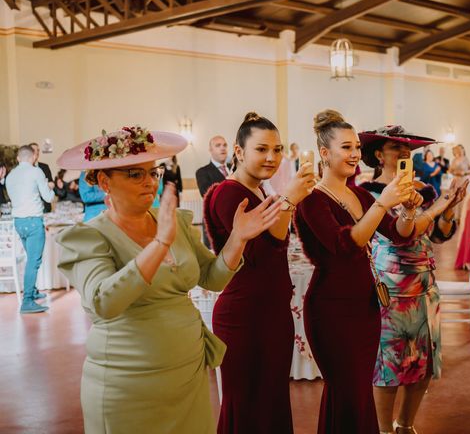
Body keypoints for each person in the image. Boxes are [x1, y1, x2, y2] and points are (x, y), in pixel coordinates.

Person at [55, 125, 281, 433]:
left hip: (187, 374)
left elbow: (212, 279)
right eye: (136, 174)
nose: (150, 182)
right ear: (105, 182)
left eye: (154, 172)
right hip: (129, 383)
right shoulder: (91, 236)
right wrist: (159, 244)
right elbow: (102, 302)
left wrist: (238, 238)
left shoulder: (175, 222)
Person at [294, 110, 417, 433]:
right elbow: (346, 244)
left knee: (359, 392)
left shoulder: (359, 193)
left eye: (356, 148)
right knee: (346, 391)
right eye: (346, 147)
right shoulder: (312, 201)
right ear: (325, 153)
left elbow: (399, 234)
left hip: (364, 306)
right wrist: (382, 204)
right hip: (331, 309)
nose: (355, 154)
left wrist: (407, 210)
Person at [204, 113, 315, 433]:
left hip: (271, 312)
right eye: (262, 149)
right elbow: (259, 250)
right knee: (248, 406)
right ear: (239, 152)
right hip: (244, 315)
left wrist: (287, 200)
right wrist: (290, 198)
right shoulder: (228, 194)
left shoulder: (261, 193)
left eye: (278, 149)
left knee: (272, 401)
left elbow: (275, 242)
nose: (272, 157)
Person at [358, 125, 464, 434]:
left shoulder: (424, 190)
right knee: (389, 366)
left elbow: (439, 234)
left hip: (424, 286)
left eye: (409, 150)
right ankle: (383, 430)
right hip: (389, 289)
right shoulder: (367, 194)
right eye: (396, 149)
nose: (406, 153)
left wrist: (448, 210)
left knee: (424, 365)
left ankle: (406, 425)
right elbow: (402, 235)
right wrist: (438, 207)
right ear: (378, 154)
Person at [5, 145, 55, 313]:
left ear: (18, 158)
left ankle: (32, 292)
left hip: (18, 222)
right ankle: (27, 301)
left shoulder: (10, 176)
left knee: (30, 258)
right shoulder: (36, 172)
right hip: (33, 221)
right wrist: (51, 188)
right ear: (33, 157)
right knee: (34, 261)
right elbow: (48, 197)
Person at [30, 142, 54, 213]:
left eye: (38, 150)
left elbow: (51, 183)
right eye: (34, 150)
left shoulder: (45, 167)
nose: (36, 152)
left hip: (45, 205)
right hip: (31, 207)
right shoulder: (26, 169)